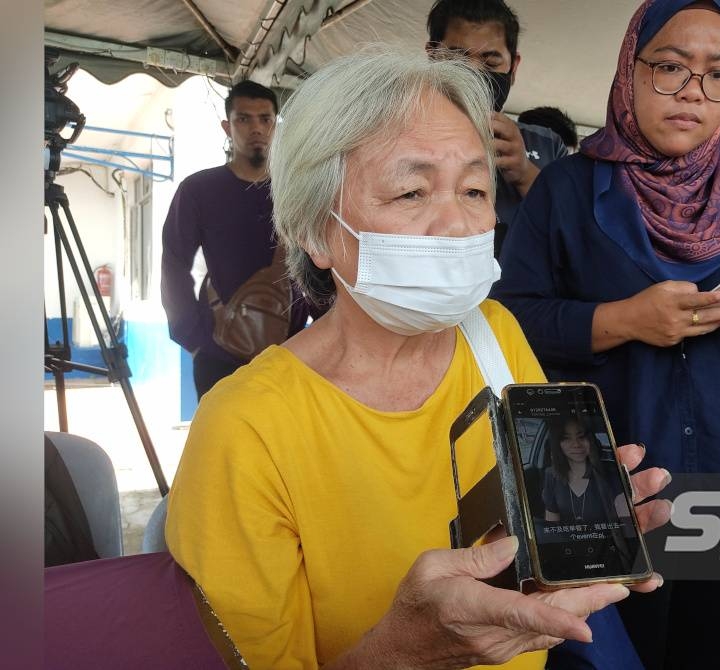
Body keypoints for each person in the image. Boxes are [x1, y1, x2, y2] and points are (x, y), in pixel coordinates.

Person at [165, 47, 671, 670]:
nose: (457, 223)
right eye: (411, 191)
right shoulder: (243, 431)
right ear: (318, 232)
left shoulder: (494, 333)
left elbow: (529, 548)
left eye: (475, 189)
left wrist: (562, 546)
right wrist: (406, 652)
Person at [491, 1, 720, 667]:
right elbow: (509, 319)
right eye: (670, 68)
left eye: (717, 75)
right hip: (599, 480)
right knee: (596, 647)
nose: (692, 94)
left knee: (715, 647)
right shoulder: (566, 189)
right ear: (630, 67)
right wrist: (624, 320)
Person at [160, 80, 312, 399]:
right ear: (227, 127)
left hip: (289, 351)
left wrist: (324, 328)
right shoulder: (199, 190)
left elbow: (321, 259)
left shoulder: (296, 191)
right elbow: (174, 264)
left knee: (285, 444)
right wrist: (193, 338)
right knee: (223, 446)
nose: (256, 128)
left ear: (276, 124)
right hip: (219, 355)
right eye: (244, 119)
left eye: (265, 118)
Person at [426, 0, 569, 254]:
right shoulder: (399, 134)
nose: (473, 74)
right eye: (457, 60)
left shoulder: (546, 143)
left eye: (491, 63)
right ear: (433, 56)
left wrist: (524, 172)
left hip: (520, 290)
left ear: (513, 67)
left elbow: (574, 227)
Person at [542, 417, 626, 523]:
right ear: (558, 444)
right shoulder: (551, 475)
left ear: (591, 440)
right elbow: (552, 523)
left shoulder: (611, 473)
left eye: (581, 437)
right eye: (567, 438)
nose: (576, 444)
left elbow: (625, 524)